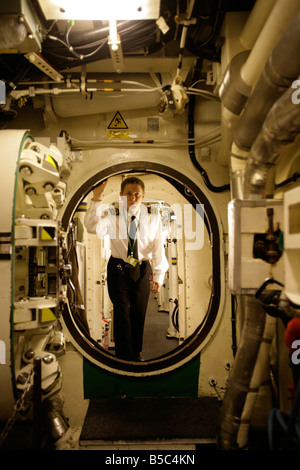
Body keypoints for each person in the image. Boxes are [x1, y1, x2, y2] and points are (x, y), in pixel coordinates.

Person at [84, 176, 169, 361]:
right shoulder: (111, 218)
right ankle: (124, 357)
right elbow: (92, 228)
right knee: (122, 313)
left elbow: (158, 248)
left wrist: (159, 276)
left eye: (136, 194)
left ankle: (136, 353)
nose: (132, 198)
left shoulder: (153, 219)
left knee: (138, 312)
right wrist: (97, 198)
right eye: (128, 194)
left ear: (143, 196)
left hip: (142, 268)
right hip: (118, 269)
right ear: (121, 195)